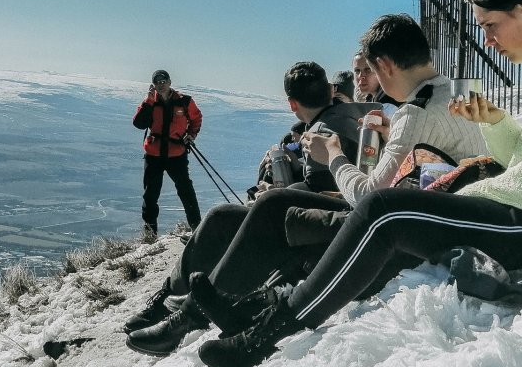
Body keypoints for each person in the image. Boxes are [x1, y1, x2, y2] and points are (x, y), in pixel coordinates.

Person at [196, 0, 522, 367]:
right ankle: (260, 310)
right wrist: (495, 123)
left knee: (388, 211)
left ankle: (264, 336)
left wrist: (457, 197)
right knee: (394, 213)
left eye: (491, 25)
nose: (488, 40)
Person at [126, 18, 487, 356]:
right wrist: (392, 139)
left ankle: (191, 314)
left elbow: (371, 199)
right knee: (273, 206)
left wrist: (332, 155)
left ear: (387, 66)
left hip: (403, 225)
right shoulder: (464, 95)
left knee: (273, 208)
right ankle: (195, 310)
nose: (371, 79)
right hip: (437, 209)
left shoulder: (413, 112)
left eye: (373, 70)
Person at [123, 62, 364, 352]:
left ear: (291, 104)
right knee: (219, 215)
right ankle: (173, 299)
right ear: (329, 91)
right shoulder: (347, 117)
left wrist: (280, 192)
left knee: (224, 217)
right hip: (312, 215)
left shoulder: (326, 130)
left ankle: (183, 313)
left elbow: (327, 190)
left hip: (306, 225)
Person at [132, 69, 202, 238]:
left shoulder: (184, 101)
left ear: (170, 82)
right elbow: (139, 124)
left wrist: (191, 135)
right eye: (157, 82)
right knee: (150, 195)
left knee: (186, 190)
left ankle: (197, 228)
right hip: (154, 155)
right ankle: (150, 235)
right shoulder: (150, 103)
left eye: (164, 81)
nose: (161, 84)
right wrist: (148, 102)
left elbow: (196, 118)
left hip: (176, 154)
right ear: (153, 85)